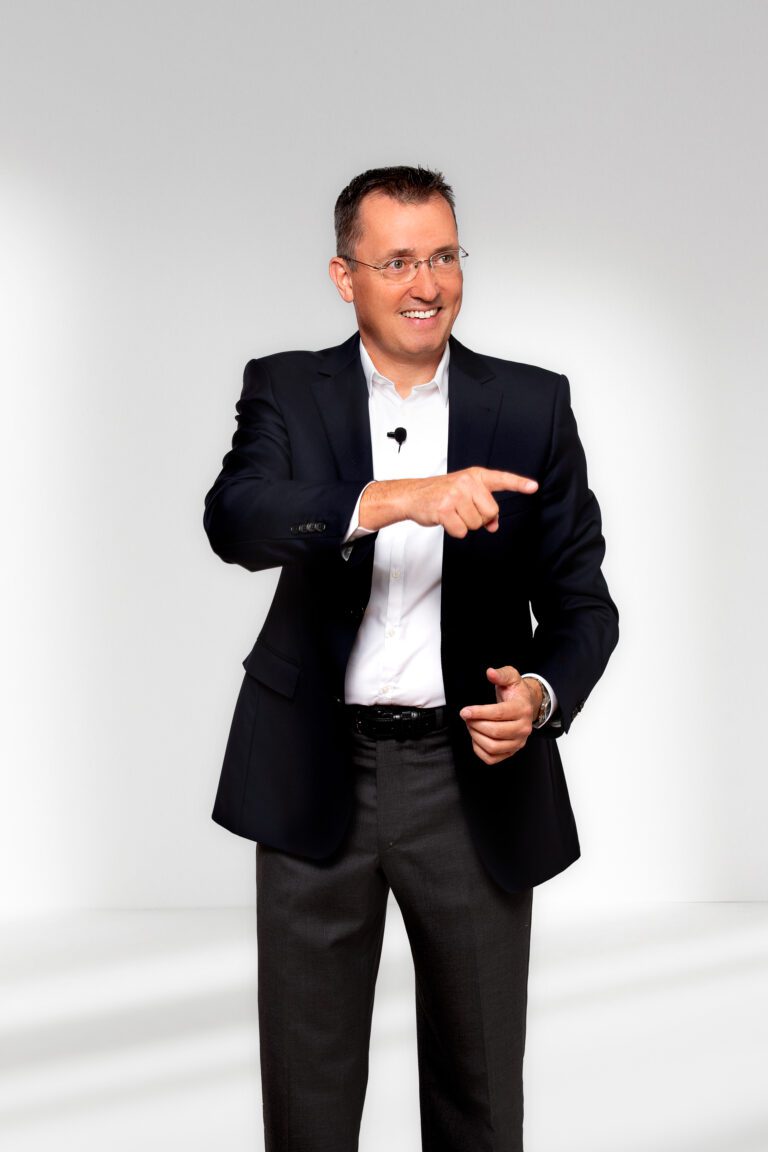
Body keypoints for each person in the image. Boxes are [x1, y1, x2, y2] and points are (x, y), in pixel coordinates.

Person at [203, 165, 618, 1152]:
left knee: (481, 1103)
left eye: (443, 255)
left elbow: (583, 605)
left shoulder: (533, 405)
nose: (426, 284)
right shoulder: (285, 388)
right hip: (315, 771)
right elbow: (236, 519)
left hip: (468, 779)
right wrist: (399, 498)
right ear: (344, 276)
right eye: (397, 262)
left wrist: (540, 694)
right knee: (308, 1106)